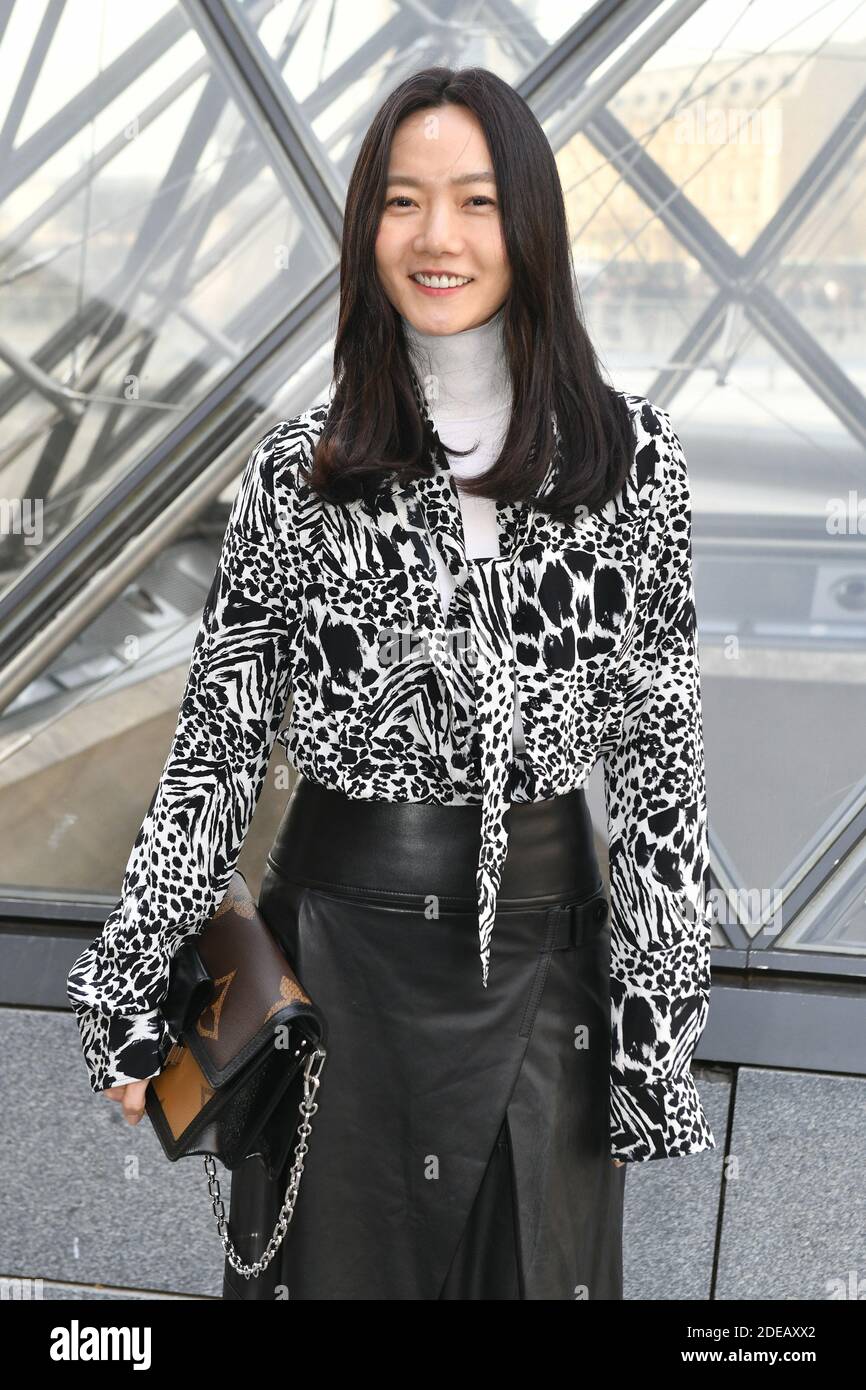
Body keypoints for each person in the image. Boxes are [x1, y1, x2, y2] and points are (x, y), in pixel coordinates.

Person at [67, 65, 715, 1301]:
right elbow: (213, 751)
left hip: (548, 969)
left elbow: (661, 767)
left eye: (473, 201)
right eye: (403, 201)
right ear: (366, 226)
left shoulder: (634, 462)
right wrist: (125, 987)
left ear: (526, 224)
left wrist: (653, 1036)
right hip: (337, 965)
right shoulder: (296, 472)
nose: (436, 237)